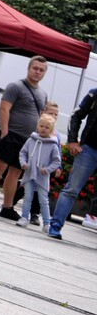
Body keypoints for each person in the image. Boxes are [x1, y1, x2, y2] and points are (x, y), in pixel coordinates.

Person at [0, 56, 49, 220]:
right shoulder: (16, 87)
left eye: (41, 70)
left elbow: (41, 116)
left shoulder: (42, 93)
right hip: (11, 134)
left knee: (16, 172)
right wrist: (4, 132)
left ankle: (7, 207)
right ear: (29, 68)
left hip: (28, 140)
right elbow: (4, 109)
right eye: (35, 68)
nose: (37, 72)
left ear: (44, 73)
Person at [48, 88, 97, 240]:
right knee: (72, 189)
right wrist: (72, 140)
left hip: (88, 149)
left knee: (71, 190)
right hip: (89, 148)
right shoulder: (95, 93)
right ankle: (55, 226)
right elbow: (76, 115)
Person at [15, 113, 61, 231]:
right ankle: (24, 217)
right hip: (30, 173)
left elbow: (56, 161)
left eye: (47, 127)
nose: (43, 129)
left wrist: (47, 169)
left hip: (42, 176)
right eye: (41, 126)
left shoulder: (53, 145)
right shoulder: (31, 140)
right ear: (37, 126)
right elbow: (22, 152)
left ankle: (46, 223)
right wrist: (24, 163)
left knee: (43, 199)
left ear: (51, 130)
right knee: (28, 196)